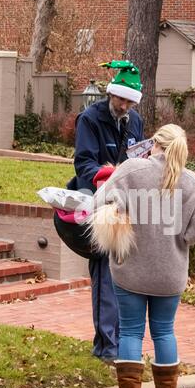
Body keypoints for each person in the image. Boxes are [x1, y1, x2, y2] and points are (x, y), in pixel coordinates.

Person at [90, 124, 195, 388]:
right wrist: (177, 238)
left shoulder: (131, 170)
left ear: (153, 144)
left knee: (131, 331)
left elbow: (98, 203)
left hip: (130, 269)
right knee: (164, 331)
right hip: (170, 273)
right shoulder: (190, 181)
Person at [66, 60, 144, 363]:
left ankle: (123, 341)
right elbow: (83, 164)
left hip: (127, 202)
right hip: (99, 201)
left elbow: (139, 157)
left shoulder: (134, 121)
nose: (123, 105)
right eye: (120, 98)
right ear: (111, 94)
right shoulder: (89, 118)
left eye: (129, 101)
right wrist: (112, 176)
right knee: (105, 271)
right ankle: (106, 345)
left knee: (125, 272)